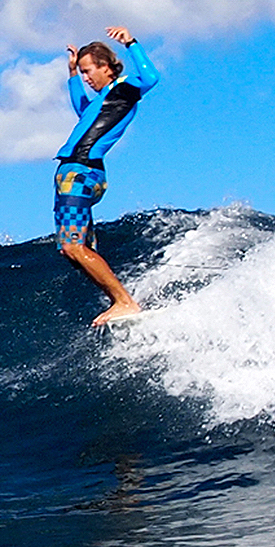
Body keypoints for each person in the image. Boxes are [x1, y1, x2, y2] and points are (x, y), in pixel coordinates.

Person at [54, 26, 159, 326]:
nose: (86, 78)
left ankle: (124, 302)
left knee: (74, 247)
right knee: (70, 250)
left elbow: (151, 78)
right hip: (73, 173)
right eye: (83, 73)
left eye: (89, 71)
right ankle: (119, 298)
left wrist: (131, 43)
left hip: (81, 172)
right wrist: (72, 73)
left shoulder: (124, 89)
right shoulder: (101, 102)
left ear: (106, 67)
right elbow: (81, 108)